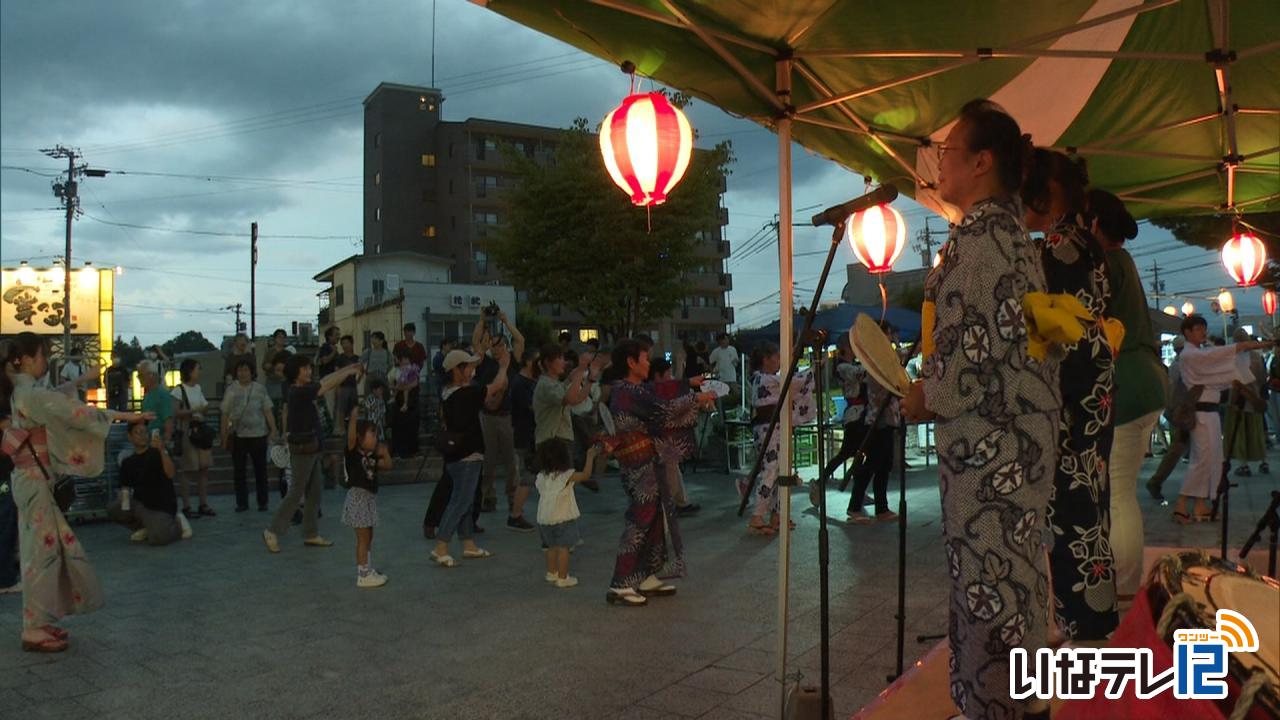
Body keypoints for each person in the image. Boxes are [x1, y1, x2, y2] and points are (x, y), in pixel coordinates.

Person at [901, 99, 1058, 720]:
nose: (939, 163)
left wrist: (921, 395)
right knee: (1016, 577)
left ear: (982, 161)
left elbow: (966, 363)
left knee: (990, 585)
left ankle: (1000, 708)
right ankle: (1020, 703)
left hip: (990, 447)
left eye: (948, 151)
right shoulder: (1011, 233)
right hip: (1020, 436)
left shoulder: (979, 243)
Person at [1, 333, 153, 653]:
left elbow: (57, 398)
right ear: (25, 359)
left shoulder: (24, 392)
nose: (45, 362)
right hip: (34, 479)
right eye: (42, 356)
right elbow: (74, 412)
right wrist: (126, 416)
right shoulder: (30, 394)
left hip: (30, 478)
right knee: (40, 554)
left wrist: (83, 379)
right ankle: (33, 628)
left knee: (43, 551)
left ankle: (40, 621)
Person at [1024, 147, 1118, 641]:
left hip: (1072, 384)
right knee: (1088, 500)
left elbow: (1042, 326)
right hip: (1092, 382)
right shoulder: (1083, 241)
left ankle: (1081, 622)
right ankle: (1090, 615)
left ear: (1048, 191)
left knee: (1070, 505)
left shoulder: (1058, 247)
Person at [1089, 188, 1168, 601]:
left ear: (1094, 224)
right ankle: (1126, 586)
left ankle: (1121, 590)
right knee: (1124, 492)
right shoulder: (1126, 260)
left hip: (1122, 384)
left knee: (1116, 494)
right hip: (1148, 383)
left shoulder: (1101, 264)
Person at [605, 340, 716, 607]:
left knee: (654, 517)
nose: (647, 363)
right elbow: (662, 408)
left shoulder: (629, 389)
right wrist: (696, 398)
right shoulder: (627, 392)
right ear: (631, 363)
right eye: (644, 358)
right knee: (641, 518)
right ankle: (620, 583)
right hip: (639, 463)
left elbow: (655, 390)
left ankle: (645, 574)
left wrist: (687, 383)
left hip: (645, 460)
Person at [1172, 317, 1271, 522]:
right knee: (1202, 460)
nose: (1203, 332)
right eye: (1198, 329)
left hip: (1210, 412)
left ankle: (1200, 505)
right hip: (1201, 413)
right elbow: (1217, 357)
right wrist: (1253, 345)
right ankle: (1181, 504)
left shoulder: (1198, 353)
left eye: (1204, 328)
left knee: (1212, 459)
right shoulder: (1190, 355)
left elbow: (1216, 362)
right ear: (1187, 333)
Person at [262, 355, 361, 553]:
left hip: (311, 446)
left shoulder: (302, 389)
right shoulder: (298, 391)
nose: (308, 371)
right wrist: (348, 371)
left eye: (309, 368)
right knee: (296, 491)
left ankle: (310, 533)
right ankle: (273, 530)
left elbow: (323, 381)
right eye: (304, 369)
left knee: (314, 491)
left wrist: (346, 369)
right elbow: (325, 386)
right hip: (303, 448)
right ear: (295, 373)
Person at [430, 348, 508, 567]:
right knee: (462, 501)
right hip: (468, 455)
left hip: (454, 455)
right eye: (469, 366)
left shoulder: (447, 392)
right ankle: (441, 545)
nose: (473, 370)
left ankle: (468, 544)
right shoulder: (466, 394)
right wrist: (503, 366)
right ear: (457, 370)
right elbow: (497, 386)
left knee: (464, 498)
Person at [746, 342, 816, 536]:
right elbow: (793, 383)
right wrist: (812, 369)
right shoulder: (763, 379)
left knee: (779, 471)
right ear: (766, 360)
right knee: (770, 471)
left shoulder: (765, 379)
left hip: (774, 427)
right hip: (768, 427)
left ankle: (777, 515)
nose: (778, 361)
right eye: (776, 358)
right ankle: (757, 515)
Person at [472, 311, 528, 523]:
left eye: (499, 345)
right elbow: (476, 341)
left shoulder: (512, 361)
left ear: (504, 345)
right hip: (487, 415)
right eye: (493, 345)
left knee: (511, 461)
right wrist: (482, 320)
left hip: (507, 416)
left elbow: (520, 339)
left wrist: (506, 321)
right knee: (488, 460)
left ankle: (512, 497)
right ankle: (488, 496)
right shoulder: (485, 362)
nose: (495, 348)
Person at [108, 421, 190, 545]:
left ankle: (178, 524)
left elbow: (171, 473)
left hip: (161, 506)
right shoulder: (128, 462)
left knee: (158, 539)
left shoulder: (157, 452)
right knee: (113, 509)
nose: (142, 435)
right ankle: (143, 527)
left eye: (145, 432)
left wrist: (162, 450)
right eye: (137, 433)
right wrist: (123, 501)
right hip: (140, 504)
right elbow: (124, 487)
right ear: (130, 437)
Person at [537, 441, 600, 589]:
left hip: (544, 518)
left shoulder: (541, 476)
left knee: (550, 547)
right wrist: (590, 457)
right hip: (563, 517)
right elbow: (585, 475)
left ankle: (552, 572)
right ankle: (563, 577)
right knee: (564, 548)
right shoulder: (567, 475)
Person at [815, 337, 867, 506]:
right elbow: (861, 374)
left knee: (860, 452)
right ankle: (822, 479)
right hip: (854, 415)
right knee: (847, 452)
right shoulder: (843, 367)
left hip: (862, 413)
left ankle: (858, 490)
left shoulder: (852, 365)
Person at [221, 358, 278, 512]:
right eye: (240, 370)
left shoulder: (260, 389)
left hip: (259, 434)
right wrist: (224, 434)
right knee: (239, 471)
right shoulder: (231, 389)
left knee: (261, 470)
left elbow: (267, 409)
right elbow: (225, 414)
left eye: (246, 370)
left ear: (252, 372)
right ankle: (242, 502)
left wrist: (273, 429)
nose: (243, 373)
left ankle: (263, 501)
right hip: (239, 435)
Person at [343, 409, 392, 588]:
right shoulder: (353, 454)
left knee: (369, 536)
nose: (375, 438)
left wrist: (384, 452)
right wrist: (354, 418)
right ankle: (363, 574)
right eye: (372, 434)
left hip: (368, 499)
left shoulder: (370, 457)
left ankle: (368, 568)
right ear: (359, 437)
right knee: (363, 538)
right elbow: (350, 439)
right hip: (358, 498)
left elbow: (387, 465)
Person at [847, 362, 898, 525]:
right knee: (870, 466)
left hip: (887, 421)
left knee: (884, 466)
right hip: (875, 422)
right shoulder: (873, 368)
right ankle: (854, 506)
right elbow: (879, 394)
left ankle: (882, 507)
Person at [172, 359, 215, 518]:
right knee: (188, 469)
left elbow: (204, 406)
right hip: (187, 430)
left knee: (204, 468)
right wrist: (193, 411)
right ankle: (187, 506)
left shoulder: (198, 388)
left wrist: (203, 410)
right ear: (189, 371)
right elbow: (175, 412)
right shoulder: (178, 390)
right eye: (197, 369)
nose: (199, 372)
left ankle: (203, 503)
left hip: (200, 428)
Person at [1148, 337, 1189, 500]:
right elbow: (1171, 389)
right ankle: (1156, 481)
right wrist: (1172, 410)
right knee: (1177, 448)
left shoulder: (1176, 365)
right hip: (1181, 412)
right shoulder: (1177, 366)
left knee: (1179, 449)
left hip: (1183, 411)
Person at [1225, 328, 1268, 476]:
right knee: (1257, 432)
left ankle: (1244, 464)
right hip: (1255, 398)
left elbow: (1232, 381)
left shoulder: (1233, 358)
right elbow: (1263, 378)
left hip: (1239, 399)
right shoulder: (1257, 356)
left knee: (1240, 433)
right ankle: (1263, 461)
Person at [509, 347, 541, 529]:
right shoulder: (520, 383)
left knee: (533, 476)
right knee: (527, 477)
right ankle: (516, 514)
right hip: (525, 435)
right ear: (529, 362)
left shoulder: (531, 381)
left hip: (532, 434)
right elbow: (533, 407)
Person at [388, 347, 422, 458]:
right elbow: (394, 385)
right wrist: (397, 388)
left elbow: (414, 384)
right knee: (398, 428)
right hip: (398, 402)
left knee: (410, 428)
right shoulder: (396, 370)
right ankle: (398, 451)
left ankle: (411, 451)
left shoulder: (412, 369)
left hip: (411, 403)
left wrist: (401, 387)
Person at [334, 335, 361, 426]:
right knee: (342, 409)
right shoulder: (340, 358)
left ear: (352, 344)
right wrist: (338, 387)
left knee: (354, 408)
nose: (345, 346)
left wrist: (358, 380)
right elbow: (336, 374)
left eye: (347, 343)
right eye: (343, 344)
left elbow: (362, 370)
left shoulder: (357, 358)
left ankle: (353, 427)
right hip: (343, 387)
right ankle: (341, 429)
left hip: (353, 386)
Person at [360, 331, 393, 397]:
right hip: (371, 377)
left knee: (384, 398)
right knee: (370, 399)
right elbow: (360, 362)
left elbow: (390, 364)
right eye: (372, 338)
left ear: (381, 341)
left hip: (382, 377)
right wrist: (364, 371)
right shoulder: (368, 351)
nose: (373, 340)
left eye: (375, 338)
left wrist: (385, 372)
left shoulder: (387, 353)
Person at [362, 377, 389, 442]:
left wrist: (384, 421)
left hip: (380, 423)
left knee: (380, 438)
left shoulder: (381, 400)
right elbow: (371, 408)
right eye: (380, 390)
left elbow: (383, 411)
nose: (381, 391)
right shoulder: (370, 398)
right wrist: (378, 401)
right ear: (374, 390)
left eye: (382, 390)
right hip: (372, 422)